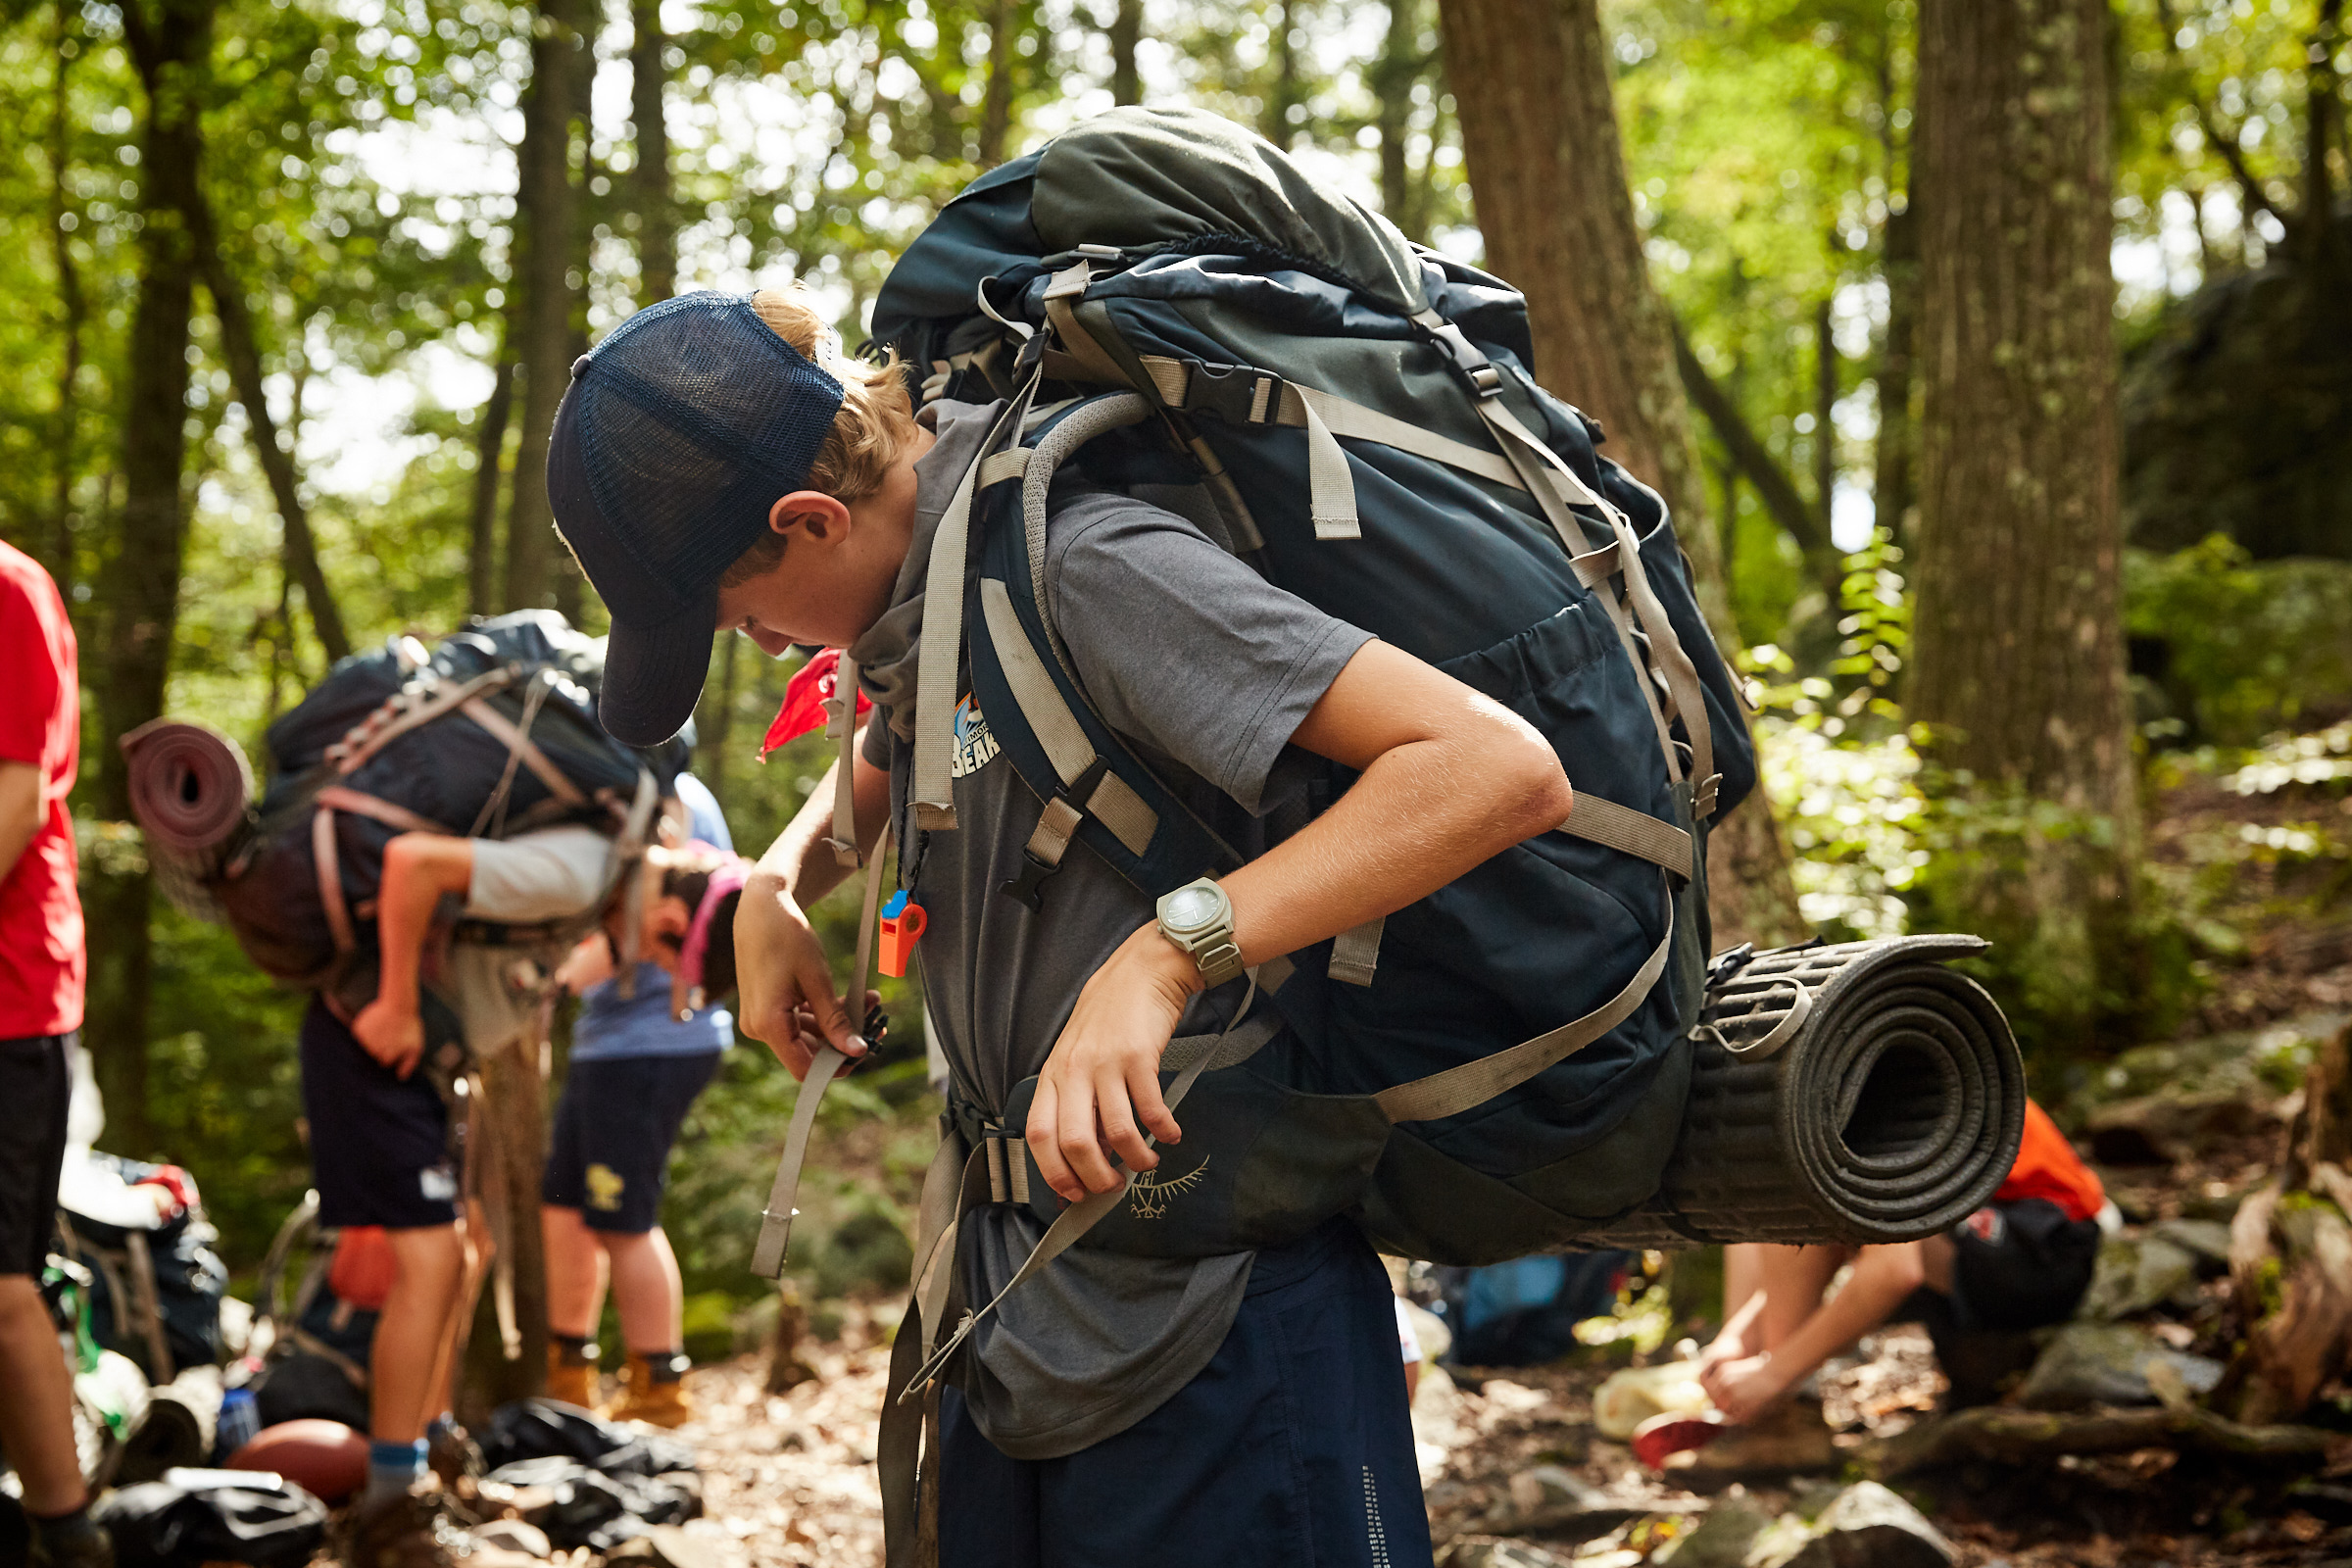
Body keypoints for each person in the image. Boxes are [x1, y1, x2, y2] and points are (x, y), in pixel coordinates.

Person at [547, 286, 1577, 1567]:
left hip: (1215, 1329)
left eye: (742, 617)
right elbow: (886, 756)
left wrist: (1166, 955)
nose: (757, 650)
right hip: (1012, 1318)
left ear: (810, 519)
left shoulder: (1084, 567)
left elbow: (1492, 770)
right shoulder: (931, 614)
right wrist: (771, 883)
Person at [316, 785, 744, 1565]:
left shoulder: (609, 867)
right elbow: (414, 864)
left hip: (430, 1057)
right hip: (380, 1043)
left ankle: (431, 1455)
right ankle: (391, 1496)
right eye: (656, 955)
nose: (640, 964)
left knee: (464, 1252)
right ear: (671, 921)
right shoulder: (582, 870)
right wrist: (398, 1001)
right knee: (439, 1258)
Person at [1664, 1098, 2106, 1466]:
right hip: (1983, 1242)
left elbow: (1896, 1270)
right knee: (1787, 1207)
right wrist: (1738, 1335)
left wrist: (1772, 1374)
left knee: (1807, 1206)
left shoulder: (1881, 1096)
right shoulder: (1822, 1101)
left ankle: (1782, 1408)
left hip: (2046, 1251)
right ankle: (1772, 1410)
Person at [541, 772, 742, 1426]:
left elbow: (684, 916)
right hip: (606, 1043)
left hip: (653, 1042)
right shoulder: (603, 785)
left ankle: (659, 1387)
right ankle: (568, 1375)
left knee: (622, 1215)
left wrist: (550, 977)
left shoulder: (670, 796)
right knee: (566, 1204)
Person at [0, 541, 110, 1568]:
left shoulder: (10, 587)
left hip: (10, 997)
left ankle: (68, 1535)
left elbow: (16, 797)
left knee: (0, 1287)